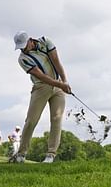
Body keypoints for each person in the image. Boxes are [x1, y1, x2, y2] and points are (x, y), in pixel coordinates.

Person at [12, 31, 72, 164]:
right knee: (31, 121)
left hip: (58, 86)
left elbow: (56, 62)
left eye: (24, 45)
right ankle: (21, 154)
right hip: (40, 87)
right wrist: (61, 84)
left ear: (30, 40)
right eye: (20, 47)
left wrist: (64, 81)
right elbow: (42, 76)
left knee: (56, 119)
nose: (22, 48)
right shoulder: (22, 59)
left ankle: (51, 155)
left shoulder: (45, 42)